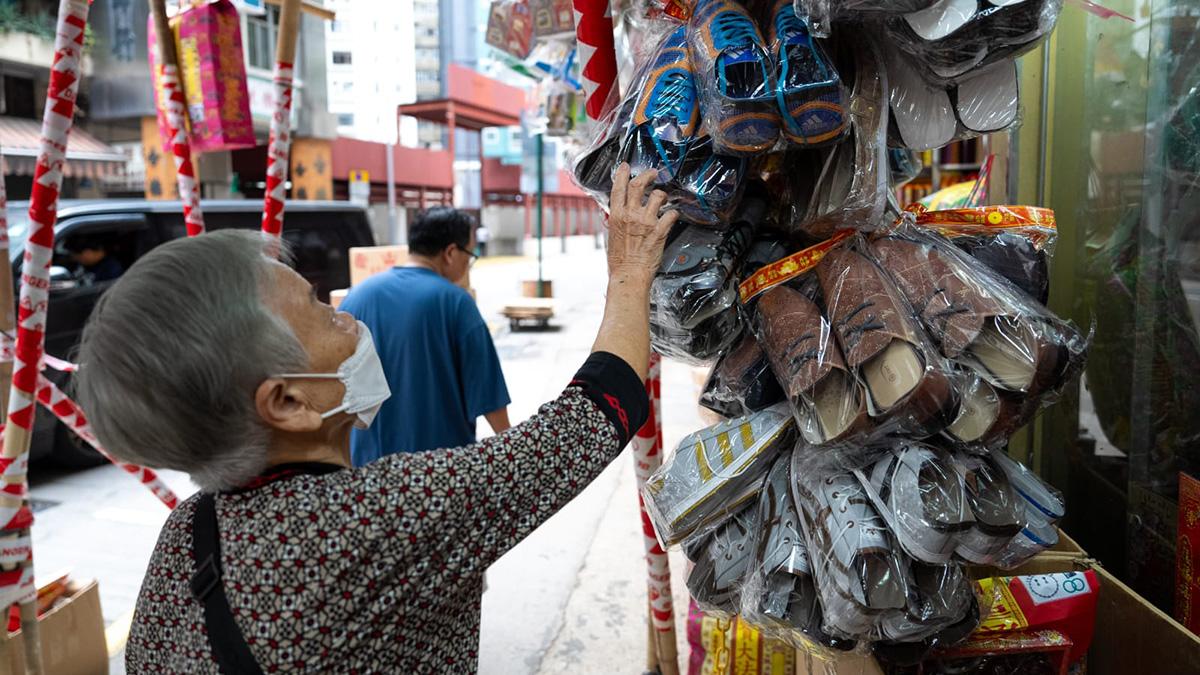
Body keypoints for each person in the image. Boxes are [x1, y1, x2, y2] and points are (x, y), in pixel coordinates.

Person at [74, 166, 676, 672]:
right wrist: (628, 270)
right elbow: (594, 415)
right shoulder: (383, 515)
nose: (347, 318)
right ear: (288, 403)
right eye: (318, 310)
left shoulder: (184, 533)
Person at [338, 207, 510, 465]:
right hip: (438, 475)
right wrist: (513, 453)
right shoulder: (455, 303)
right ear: (451, 252)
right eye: (469, 255)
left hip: (367, 473)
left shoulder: (357, 297)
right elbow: (488, 396)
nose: (467, 265)